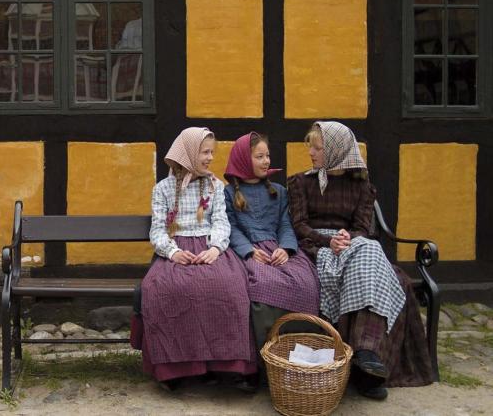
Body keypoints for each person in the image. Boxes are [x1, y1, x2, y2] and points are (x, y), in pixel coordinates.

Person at [287, 121, 433, 400]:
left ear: (336, 151)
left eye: (317, 148)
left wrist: (347, 238)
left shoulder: (361, 185)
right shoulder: (301, 182)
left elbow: (364, 229)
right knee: (374, 260)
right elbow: (299, 225)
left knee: (369, 251)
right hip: (316, 247)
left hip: (353, 245)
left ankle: (367, 360)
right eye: (311, 147)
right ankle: (366, 364)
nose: (311, 153)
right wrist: (327, 241)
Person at [130, 127, 257, 391]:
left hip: (209, 247)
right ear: (188, 154)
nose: (210, 158)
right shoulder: (163, 189)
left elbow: (222, 222)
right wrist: (173, 251)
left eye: (212, 152)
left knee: (230, 287)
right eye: (204, 152)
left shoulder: (215, 186)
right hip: (176, 248)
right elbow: (158, 230)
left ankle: (228, 366)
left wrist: (215, 248)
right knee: (164, 289)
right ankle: (175, 369)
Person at [222, 132, 320, 355]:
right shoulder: (228, 194)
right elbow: (231, 227)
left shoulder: (279, 192)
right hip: (247, 251)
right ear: (244, 160)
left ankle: (299, 353)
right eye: (259, 156)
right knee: (261, 284)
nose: (266, 161)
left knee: (306, 282)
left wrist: (285, 249)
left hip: (277, 248)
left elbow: (286, 224)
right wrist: (248, 250)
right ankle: (264, 356)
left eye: (267, 156)